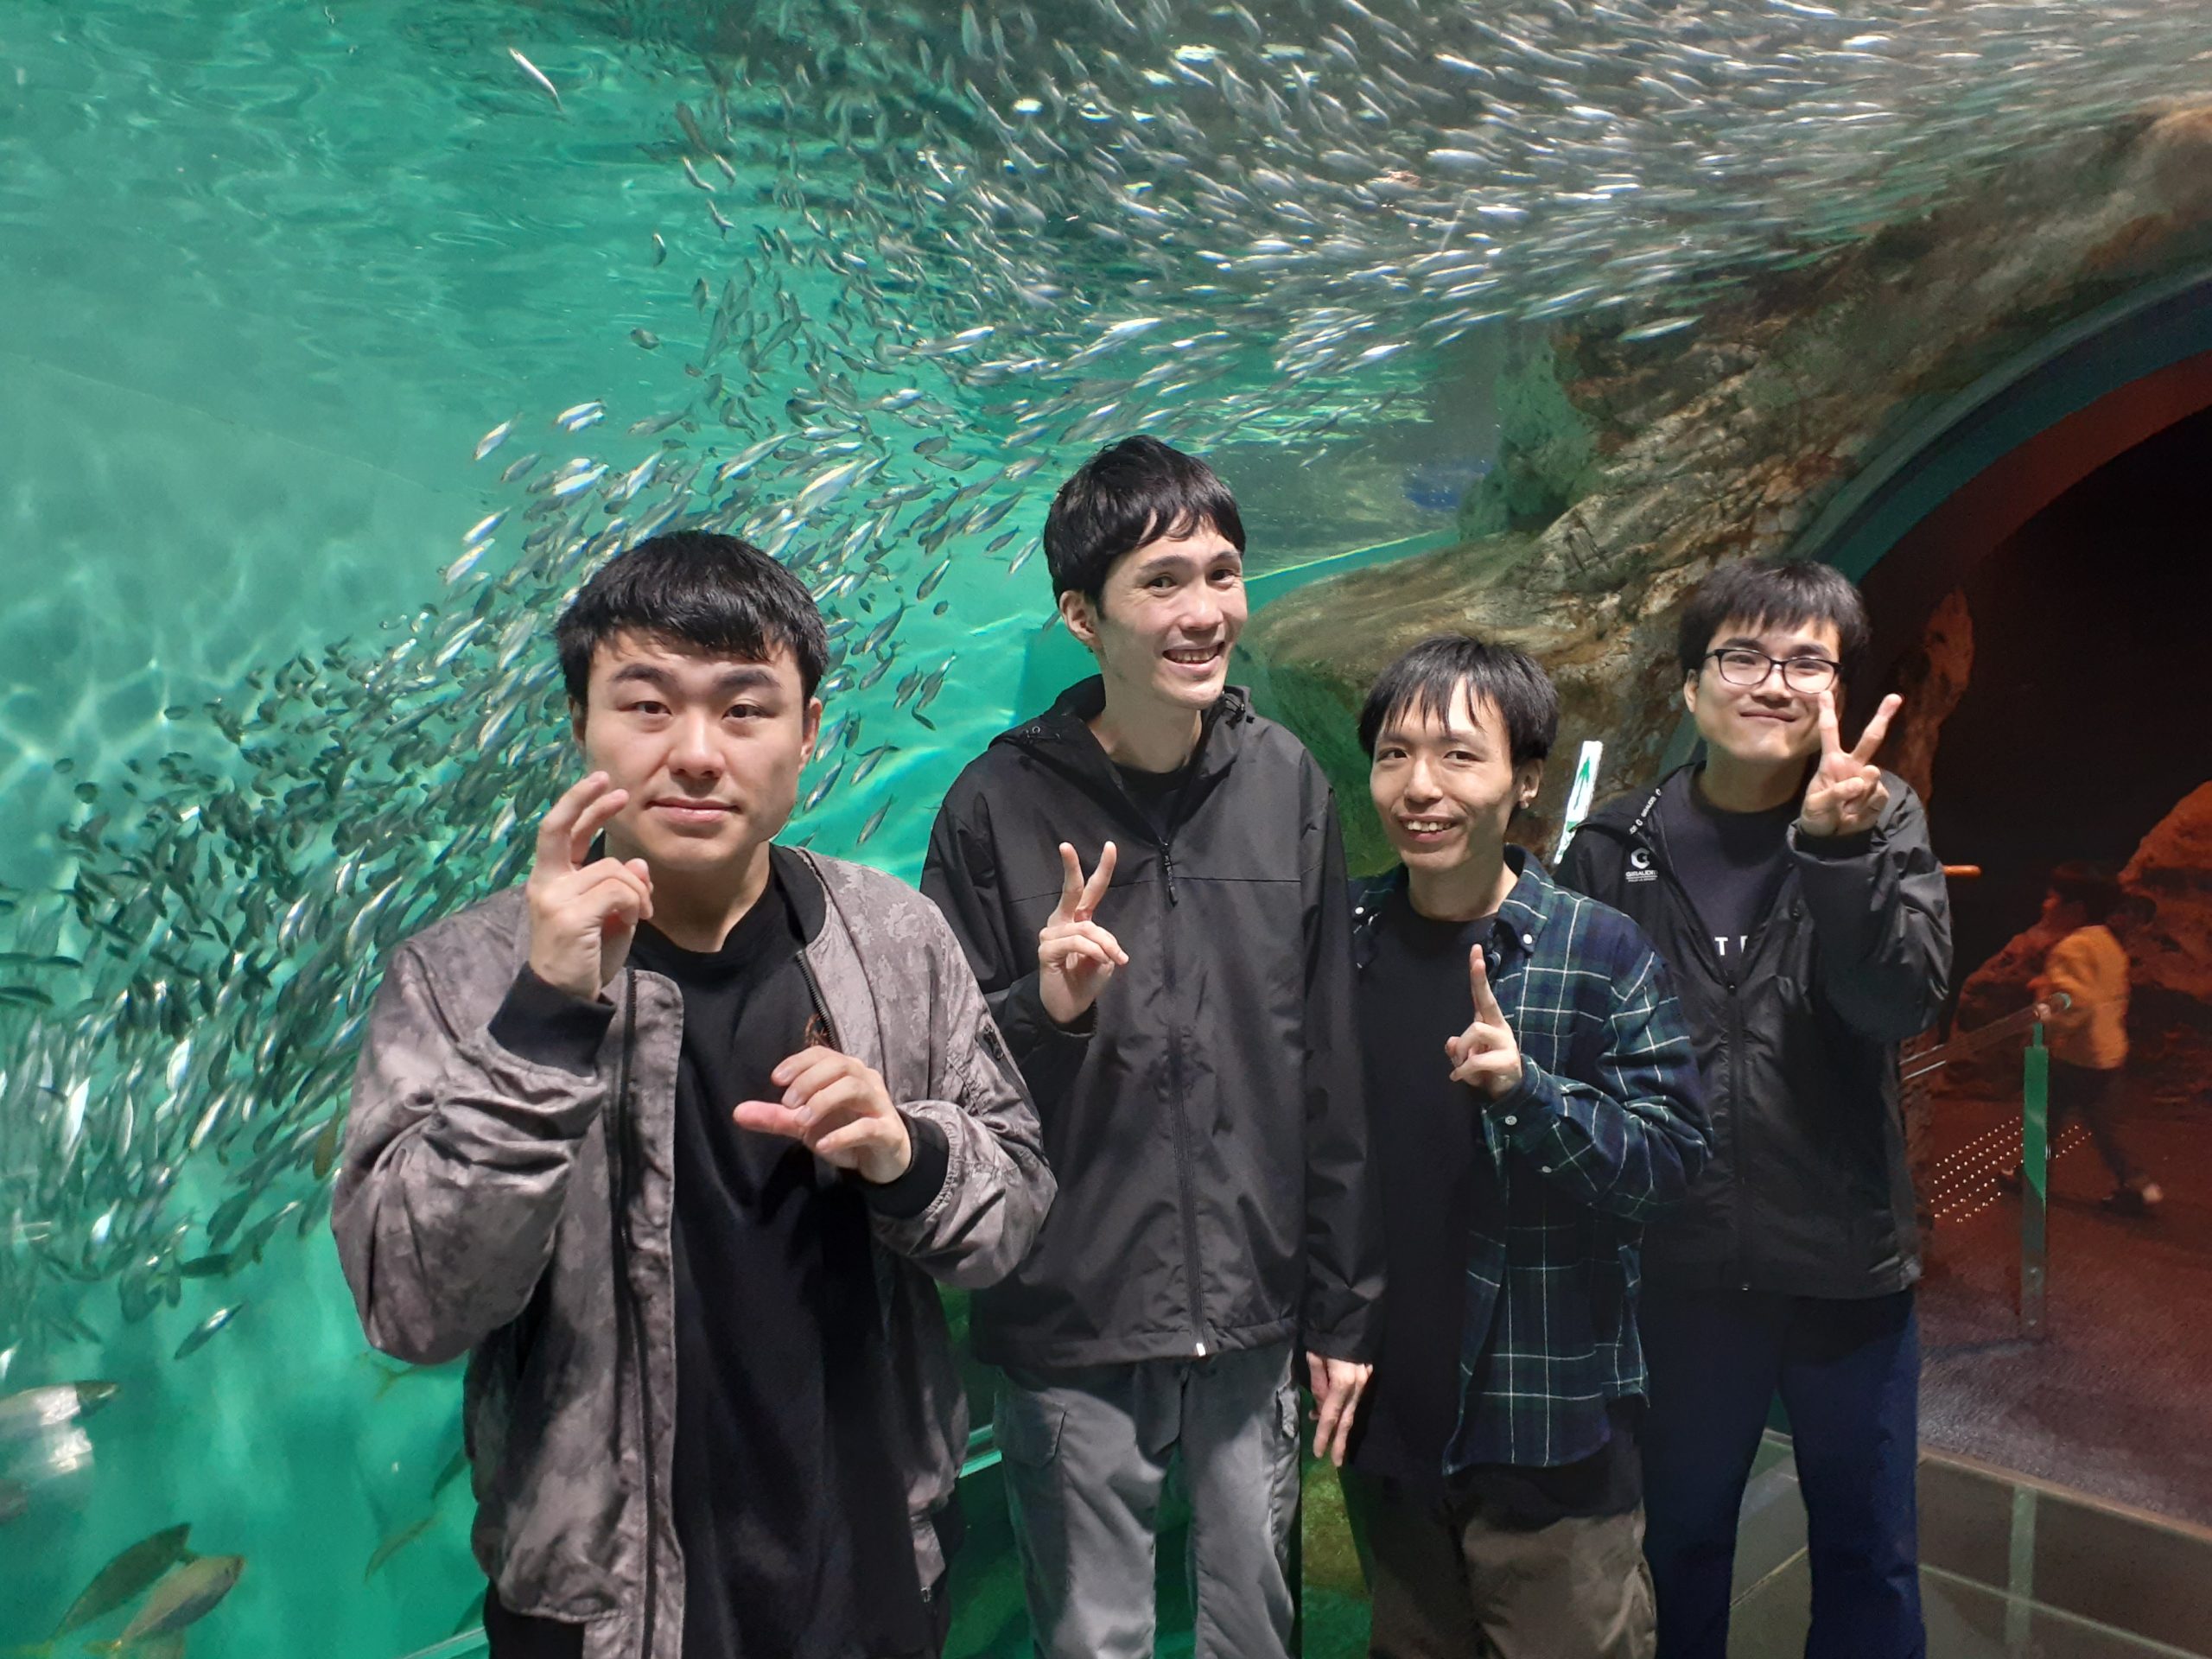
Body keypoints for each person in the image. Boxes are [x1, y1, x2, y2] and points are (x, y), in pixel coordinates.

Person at [333, 531, 1054, 1659]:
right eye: (647, 707)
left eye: (745, 709)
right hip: (598, 1617)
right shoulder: (460, 976)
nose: (698, 754)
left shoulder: (893, 939)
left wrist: (908, 1154)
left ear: (809, 733)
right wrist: (542, 1020)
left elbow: (1012, 1217)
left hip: (873, 1581)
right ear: (580, 724)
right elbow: (416, 1308)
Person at [922, 435, 1382, 1659]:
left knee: (1256, 1633)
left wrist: (1344, 1310)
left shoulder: (1286, 784)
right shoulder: (992, 808)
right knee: (1096, 1642)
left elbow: (1329, 1066)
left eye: (1222, 574)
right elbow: (945, 1084)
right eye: (1162, 582)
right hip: (1070, 1317)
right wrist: (1046, 1007)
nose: (1204, 611)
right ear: (1082, 616)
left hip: (1252, 1312)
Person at [1556, 556, 1952, 1659]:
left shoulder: (1881, 819)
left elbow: (1897, 1004)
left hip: (1844, 1266)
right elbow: (1576, 1059)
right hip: (1676, 1274)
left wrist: (1837, 853)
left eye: (1806, 663)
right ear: (1690, 686)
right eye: (1742, 656)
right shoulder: (1615, 847)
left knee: (1869, 1556)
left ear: (1837, 692)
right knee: (1676, 1546)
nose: (1774, 683)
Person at [1342, 634, 1708, 1659]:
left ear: (1526, 780)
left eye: (1458, 755)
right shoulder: (1342, 938)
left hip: (1548, 1436)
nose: (1419, 786)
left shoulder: (1599, 950)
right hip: (1387, 1432)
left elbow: (1672, 1163)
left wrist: (1529, 1094)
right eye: (1393, 754)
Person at [2031, 861, 2160, 1214]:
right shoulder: (2107, 943)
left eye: (2052, 898)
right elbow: (2106, 993)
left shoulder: (2071, 949)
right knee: (2105, 1130)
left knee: (2043, 1117)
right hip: (2106, 1053)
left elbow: (2075, 1003)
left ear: (2075, 909)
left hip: (2073, 1055)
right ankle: (2139, 1185)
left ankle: (2032, 1176)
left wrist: (2043, 1018)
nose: (2046, 904)